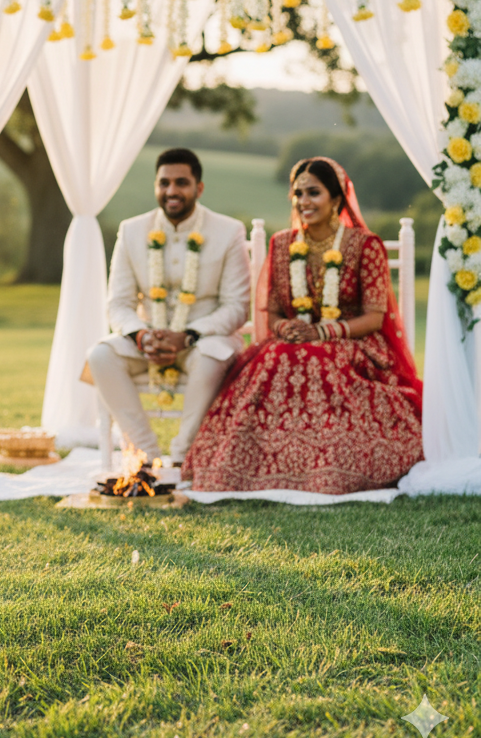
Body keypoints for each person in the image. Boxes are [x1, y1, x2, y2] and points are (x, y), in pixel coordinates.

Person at [182, 156, 424, 494]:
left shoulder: (364, 245)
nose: (303, 202)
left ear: (336, 198)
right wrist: (288, 330)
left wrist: (322, 332)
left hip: (353, 345)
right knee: (274, 359)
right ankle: (250, 469)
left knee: (318, 360)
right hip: (293, 342)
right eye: (298, 194)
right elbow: (275, 313)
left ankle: (331, 469)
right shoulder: (282, 244)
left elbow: (373, 317)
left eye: (314, 193)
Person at [85, 148, 251, 465]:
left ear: (198, 188)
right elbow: (118, 304)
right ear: (156, 186)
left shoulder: (228, 232)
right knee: (100, 355)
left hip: (204, 338)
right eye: (164, 183)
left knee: (210, 355)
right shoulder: (132, 230)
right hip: (149, 339)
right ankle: (146, 456)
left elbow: (236, 307)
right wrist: (141, 336)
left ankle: (181, 459)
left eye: (181, 183)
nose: (171, 191)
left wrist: (188, 335)